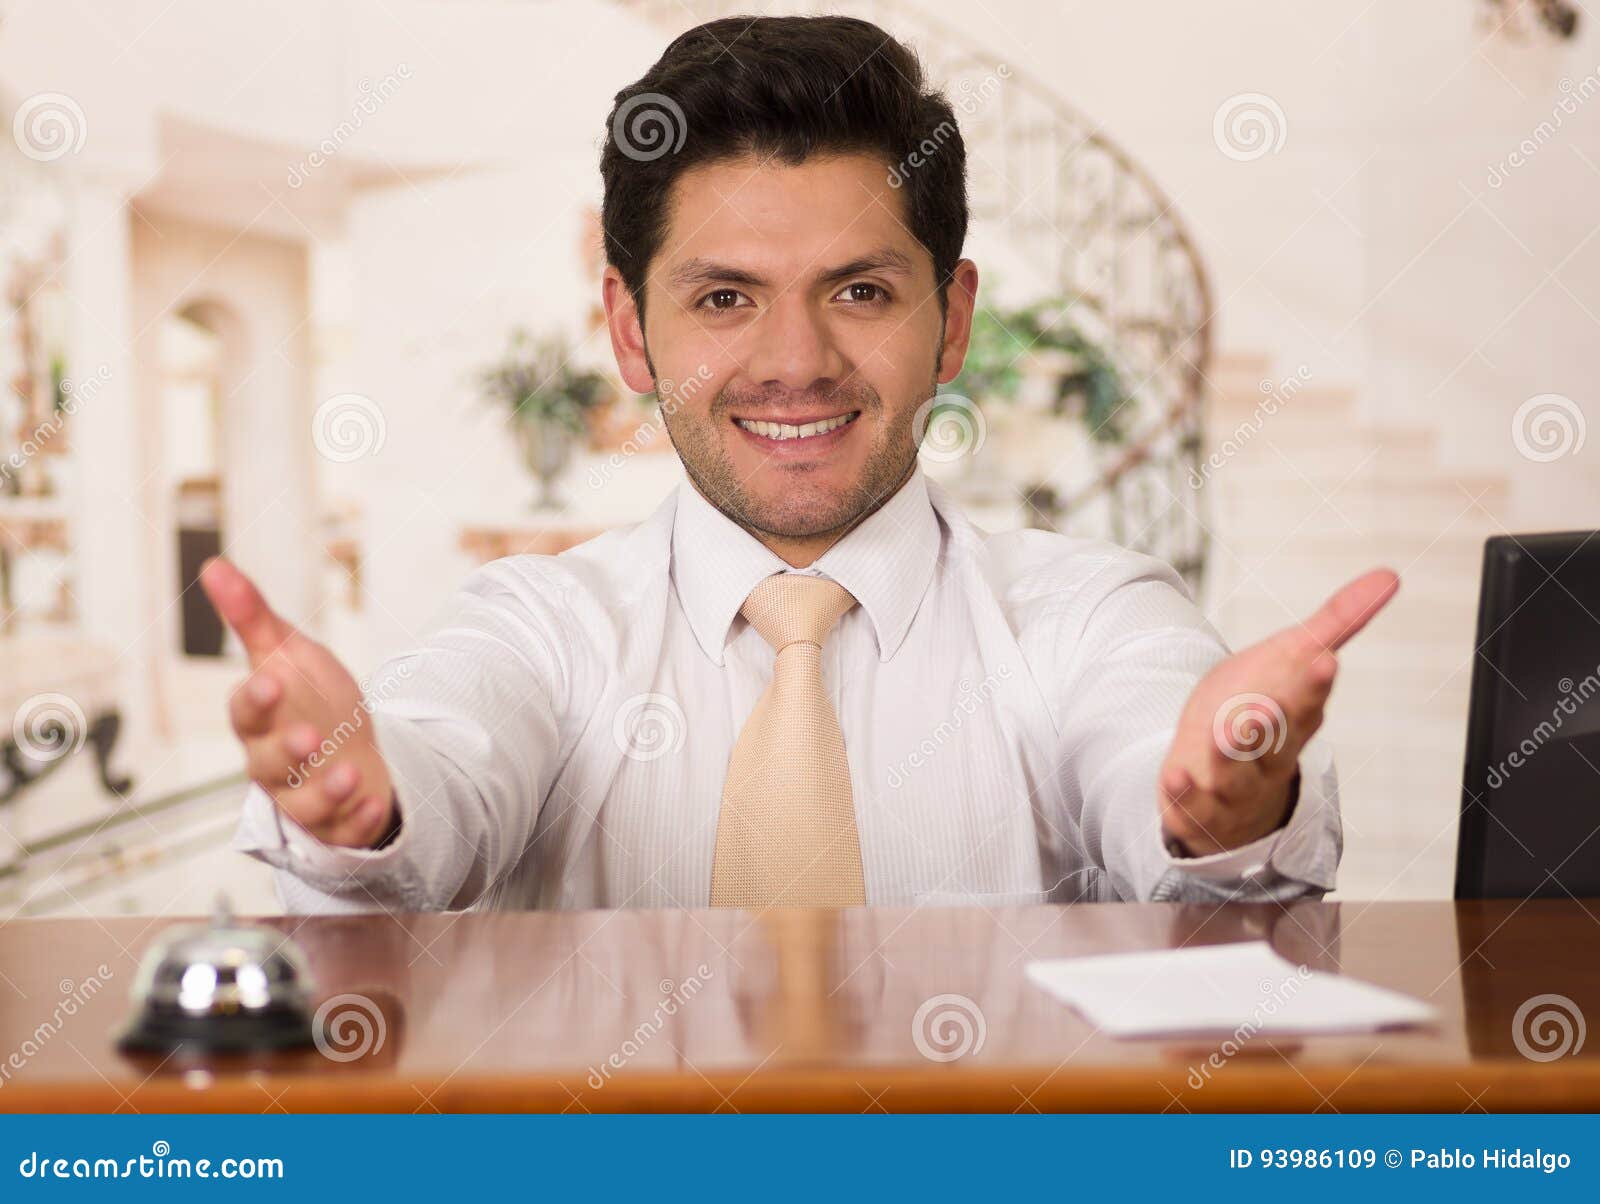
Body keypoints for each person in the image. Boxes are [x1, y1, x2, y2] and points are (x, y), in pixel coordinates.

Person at [208, 14, 1397, 914]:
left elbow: (1161, 776)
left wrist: (1216, 811)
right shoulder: (537, 627)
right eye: (724, 297)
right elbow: (445, 759)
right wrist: (369, 802)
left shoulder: (1087, 614)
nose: (796, 361)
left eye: (861, 291)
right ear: (629, 331)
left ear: (953, 320)